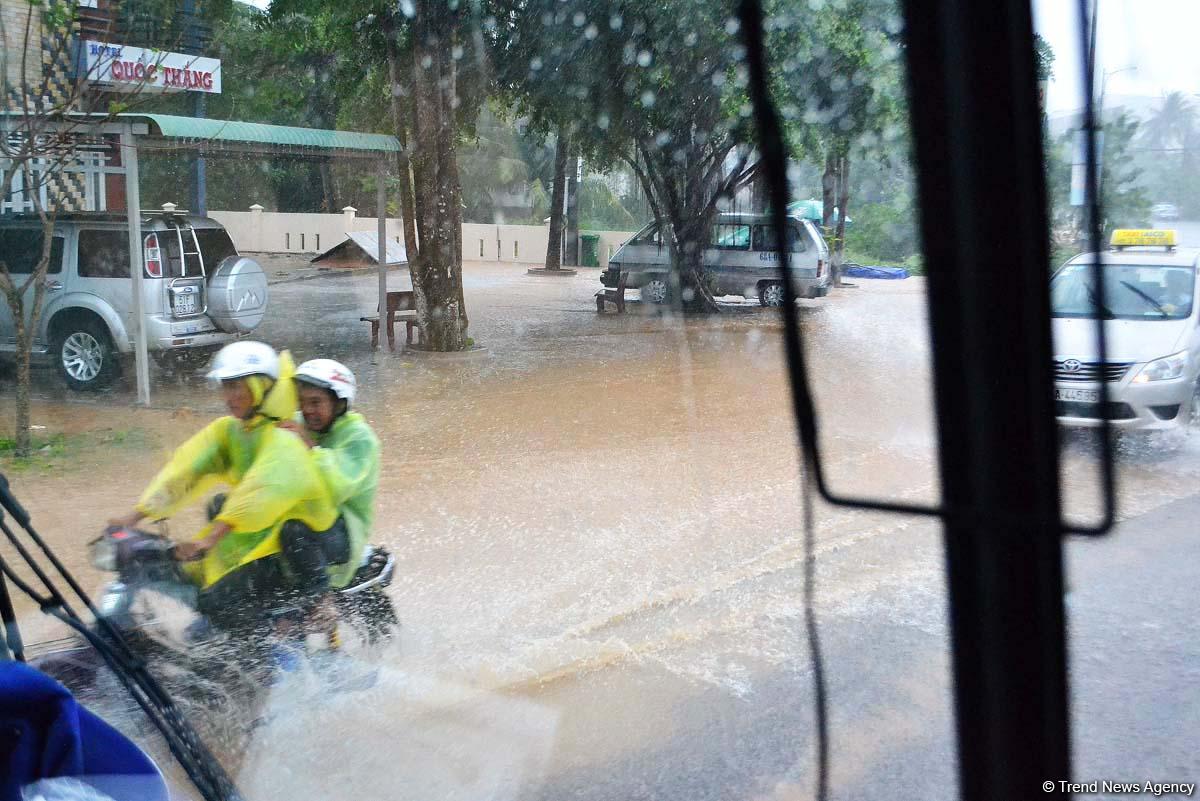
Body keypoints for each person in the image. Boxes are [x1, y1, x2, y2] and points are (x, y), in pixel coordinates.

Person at [108, 341, 339, 634]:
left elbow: (258, 491)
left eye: (236, 387)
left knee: (216, 598)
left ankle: (266, 662)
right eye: (225, 387)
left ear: (259, 387)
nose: (228, 396)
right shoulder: (231, 431)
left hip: (291, 544)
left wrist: (210, 539)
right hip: (250, 536)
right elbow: (184, 470)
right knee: (178, 574)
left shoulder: (284, 438)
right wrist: (135, 516)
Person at [278, 360, 380, 613]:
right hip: (302, 514)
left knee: (295, 532)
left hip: (342, 531)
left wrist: (308, 446)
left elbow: (336, 486)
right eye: (302, 403)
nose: (307, 410)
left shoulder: (359, 437)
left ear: (339, 402)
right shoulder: (300, 423)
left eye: (316, 402)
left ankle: (321, 601)